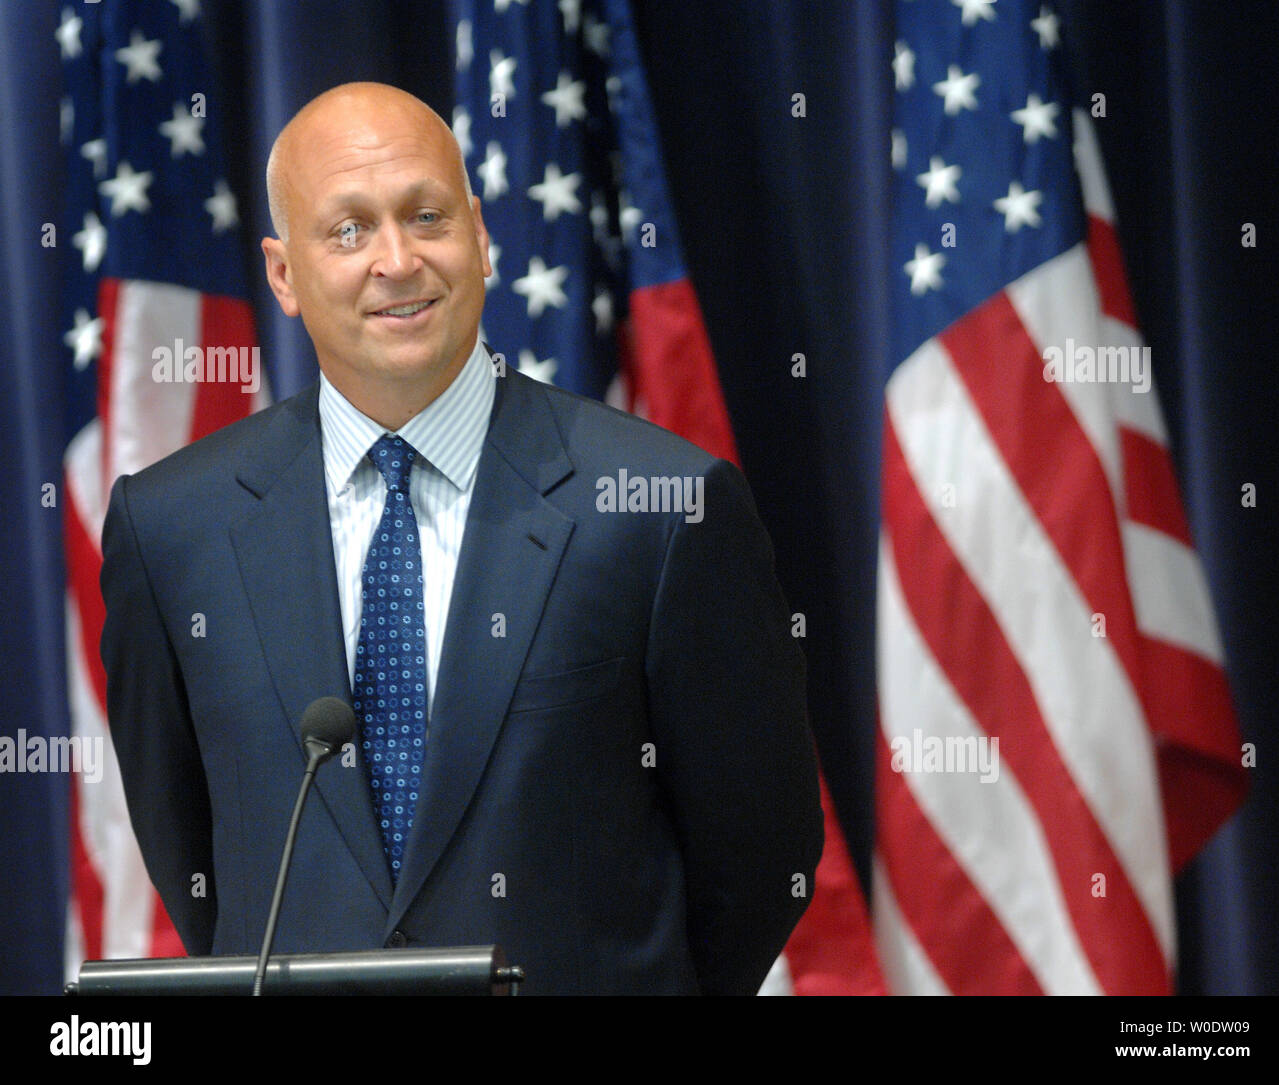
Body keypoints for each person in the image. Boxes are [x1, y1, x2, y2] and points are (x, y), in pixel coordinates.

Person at [100, 82, 822, 995]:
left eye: (427, 215)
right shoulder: (172, 528)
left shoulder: (663, 508)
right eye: (349, 230)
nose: (397, 259)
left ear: (480, 236)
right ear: (283, 273)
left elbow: (760, 856)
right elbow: (192, 860)